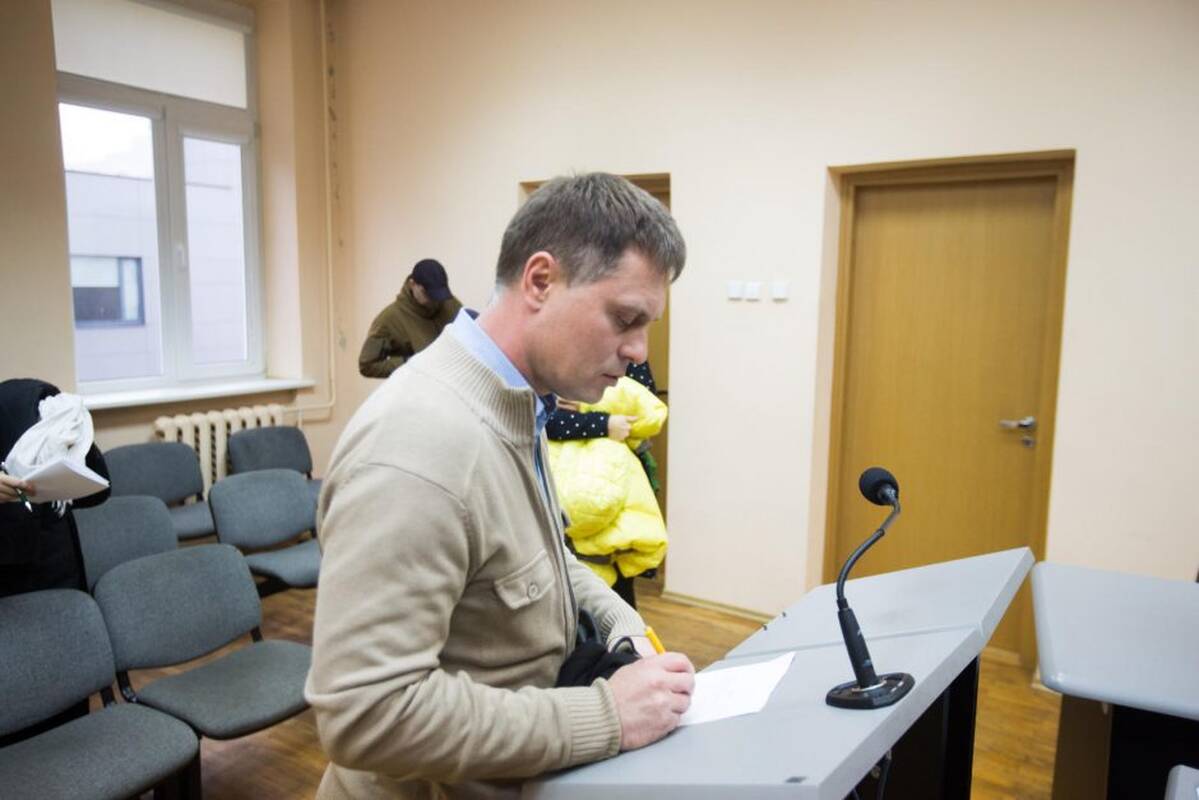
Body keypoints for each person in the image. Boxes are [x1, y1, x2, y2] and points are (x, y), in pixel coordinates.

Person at [306, 173, 693, 799]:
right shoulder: (418, 446)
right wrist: (608, 715)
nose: (638, 351)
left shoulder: (517, 401)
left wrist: (619, 622)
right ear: (541, 281)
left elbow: (538, 559)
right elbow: (367, 715)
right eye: (625, 319)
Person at [0, 378, 110, 599]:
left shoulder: (34, 401)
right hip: (12, 566)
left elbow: (97, 493)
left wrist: (76, 443)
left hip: (55, 545)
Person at [358, 258, 464, 378]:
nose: (434, 300)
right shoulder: (388, 320)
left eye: (437, 294)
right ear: (412, 284)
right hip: (419, 385)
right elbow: (367, 365)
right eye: (427, 293)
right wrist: (409, 363)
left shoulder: (449, 303)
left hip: (455, 381)